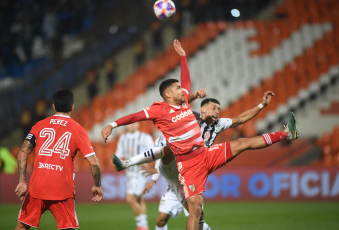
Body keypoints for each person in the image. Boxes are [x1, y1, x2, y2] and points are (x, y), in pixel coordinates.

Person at [101, 39, 299, 230]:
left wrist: (183, 57)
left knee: (241, 142)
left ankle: (286, 135)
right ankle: (128, 164)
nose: (183, 89)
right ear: (168, 94)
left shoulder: (185, 102)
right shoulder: (159, 110)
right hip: (188, 164)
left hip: (205, 154)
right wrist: (113, 124)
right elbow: (135, 116)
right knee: (196, 210)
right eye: (177, 88)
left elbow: (186, 80)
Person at [15, 89, 103, 230]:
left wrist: (22, 181)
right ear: (72, 107)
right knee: (67, 228)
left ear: (54, 107)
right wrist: (97, 185)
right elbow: (94, 162)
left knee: (22, 227)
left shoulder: (39, 125)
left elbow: (23, 152)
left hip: (37, 188)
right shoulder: (78, 130)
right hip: (62, 190)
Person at [114, 122, 155, 230]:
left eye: (134, 123)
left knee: (130, 198)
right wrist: (116, 160)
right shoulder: (123, 138)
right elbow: (118, 153)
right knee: (139, 199)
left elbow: (154, 152)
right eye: (129, 124)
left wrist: (148, 164)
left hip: (141, 172)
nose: (131, 125)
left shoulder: (145, 137)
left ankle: (141, 226)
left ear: (138, 125)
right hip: (129, 172)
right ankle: (144, 226)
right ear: (126, 125)